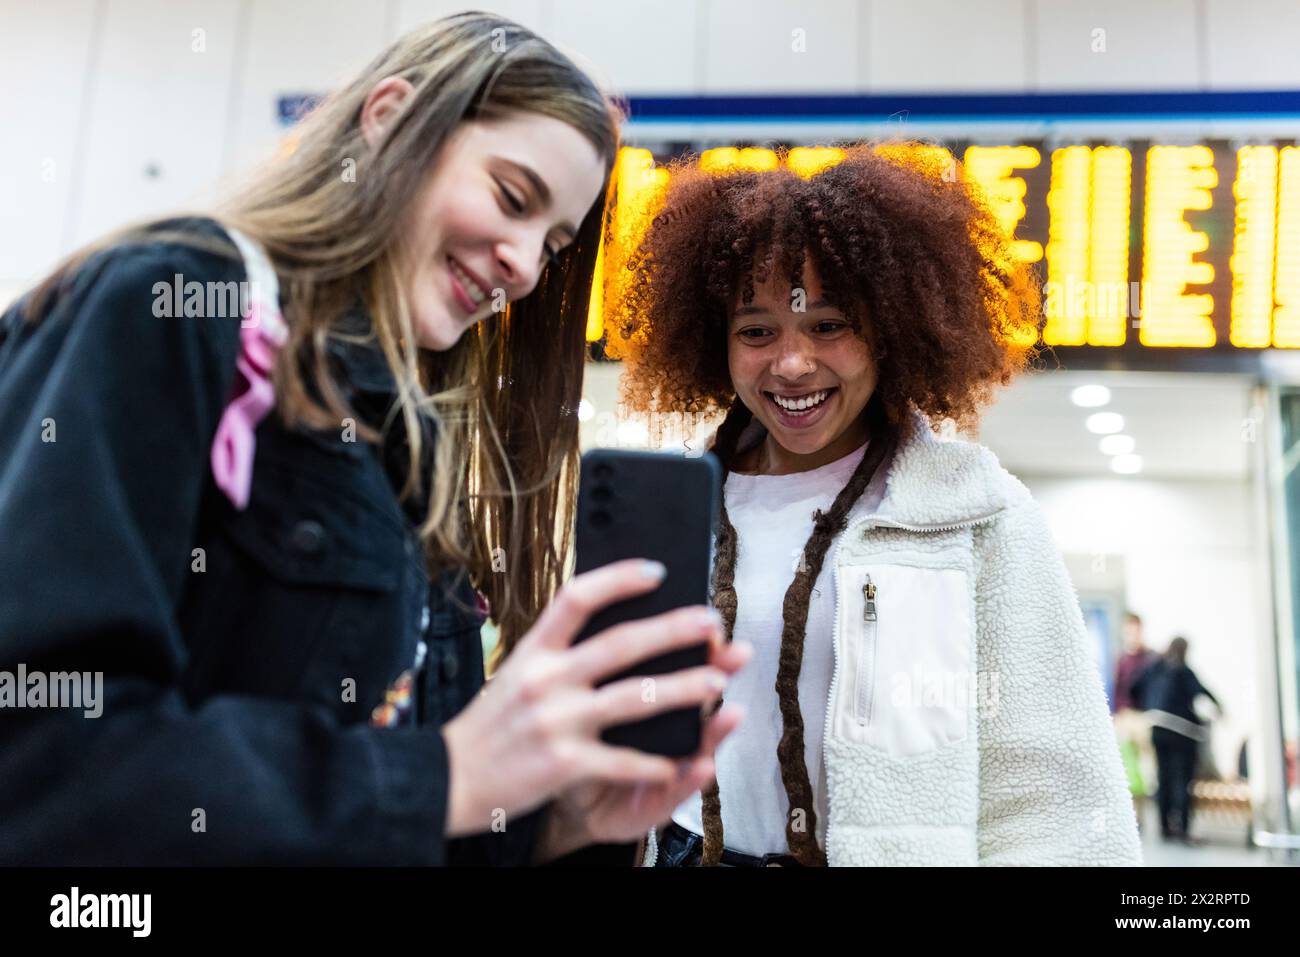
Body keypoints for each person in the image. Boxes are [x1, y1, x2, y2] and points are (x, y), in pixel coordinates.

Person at [0, 12, 748, 865]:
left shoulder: (409, 454)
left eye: (554, 243)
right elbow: (41, 761)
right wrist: (450, 774)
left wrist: (565, 822)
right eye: (511, 197)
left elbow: (399, 819)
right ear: (389, 117)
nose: (526, 269)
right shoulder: (175, 303)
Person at [605, 144, 1143, 866]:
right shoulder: (670, 510)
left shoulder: (975, 514)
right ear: (716, 342)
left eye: (829, 325)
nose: (792, 363)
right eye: (756, 330)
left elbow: (1054, 800)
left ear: (889, 328)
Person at [1131, 636, 1222, 843]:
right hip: (1182, 732)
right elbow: (1201, 691)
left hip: (1158, 728)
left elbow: (1134, 687)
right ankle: (1182, 827)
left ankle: (1164, 827)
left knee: (1164, 777)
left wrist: (1147, 705)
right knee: (1182, 779)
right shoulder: (1182, 671)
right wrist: (1220, 708)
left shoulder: (1155, 668)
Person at [1111, 611, 1159, 826]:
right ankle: (1132, 815)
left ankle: (1144, 811)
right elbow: (1117, 689)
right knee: (1126, 767)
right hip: (1124, 717)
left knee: (1145, 767)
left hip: (1142, 717)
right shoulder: (1122, 660)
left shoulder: (1150, 659)